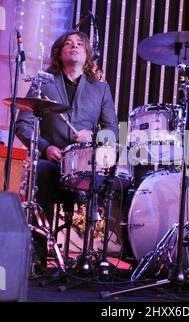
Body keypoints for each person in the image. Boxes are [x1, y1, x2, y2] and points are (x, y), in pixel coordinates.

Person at [16, 30, 119, 275]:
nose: (74, 47)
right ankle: (37, 255)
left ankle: (91, 258)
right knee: (40, 171)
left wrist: (93, 137)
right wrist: (45, 147)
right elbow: (23, 124)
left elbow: (114, 130)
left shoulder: (100, 89)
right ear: (60, 54)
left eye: (79, 44)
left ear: (87, 54)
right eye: (68, 44)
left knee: (109, 178)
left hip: (84, 165)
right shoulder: (44, 82)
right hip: (53, 162)